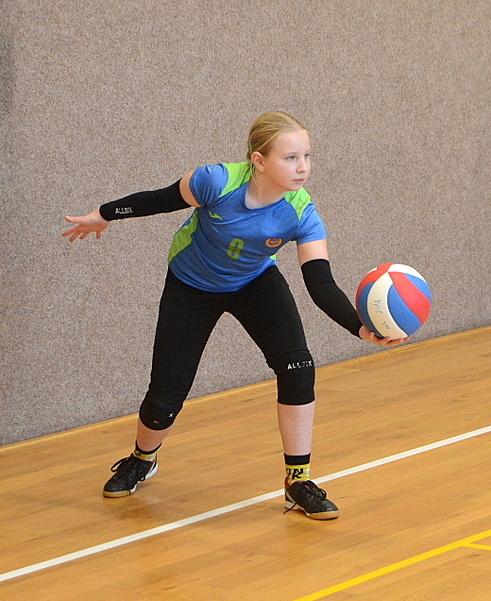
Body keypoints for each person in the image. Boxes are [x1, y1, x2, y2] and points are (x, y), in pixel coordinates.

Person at [62, 111, 405, 520]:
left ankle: (297, 481)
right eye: (290, 158)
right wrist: (103, 214)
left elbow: (320, 284)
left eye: (307, 156)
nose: (303, 167)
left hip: (253, 282)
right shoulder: (215, 181)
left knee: (298, 368)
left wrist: (361, 328)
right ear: (259, 160)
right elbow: (159, 200)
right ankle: (143, 458)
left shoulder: (301, 212)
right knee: (165, 397)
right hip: (191, 284)